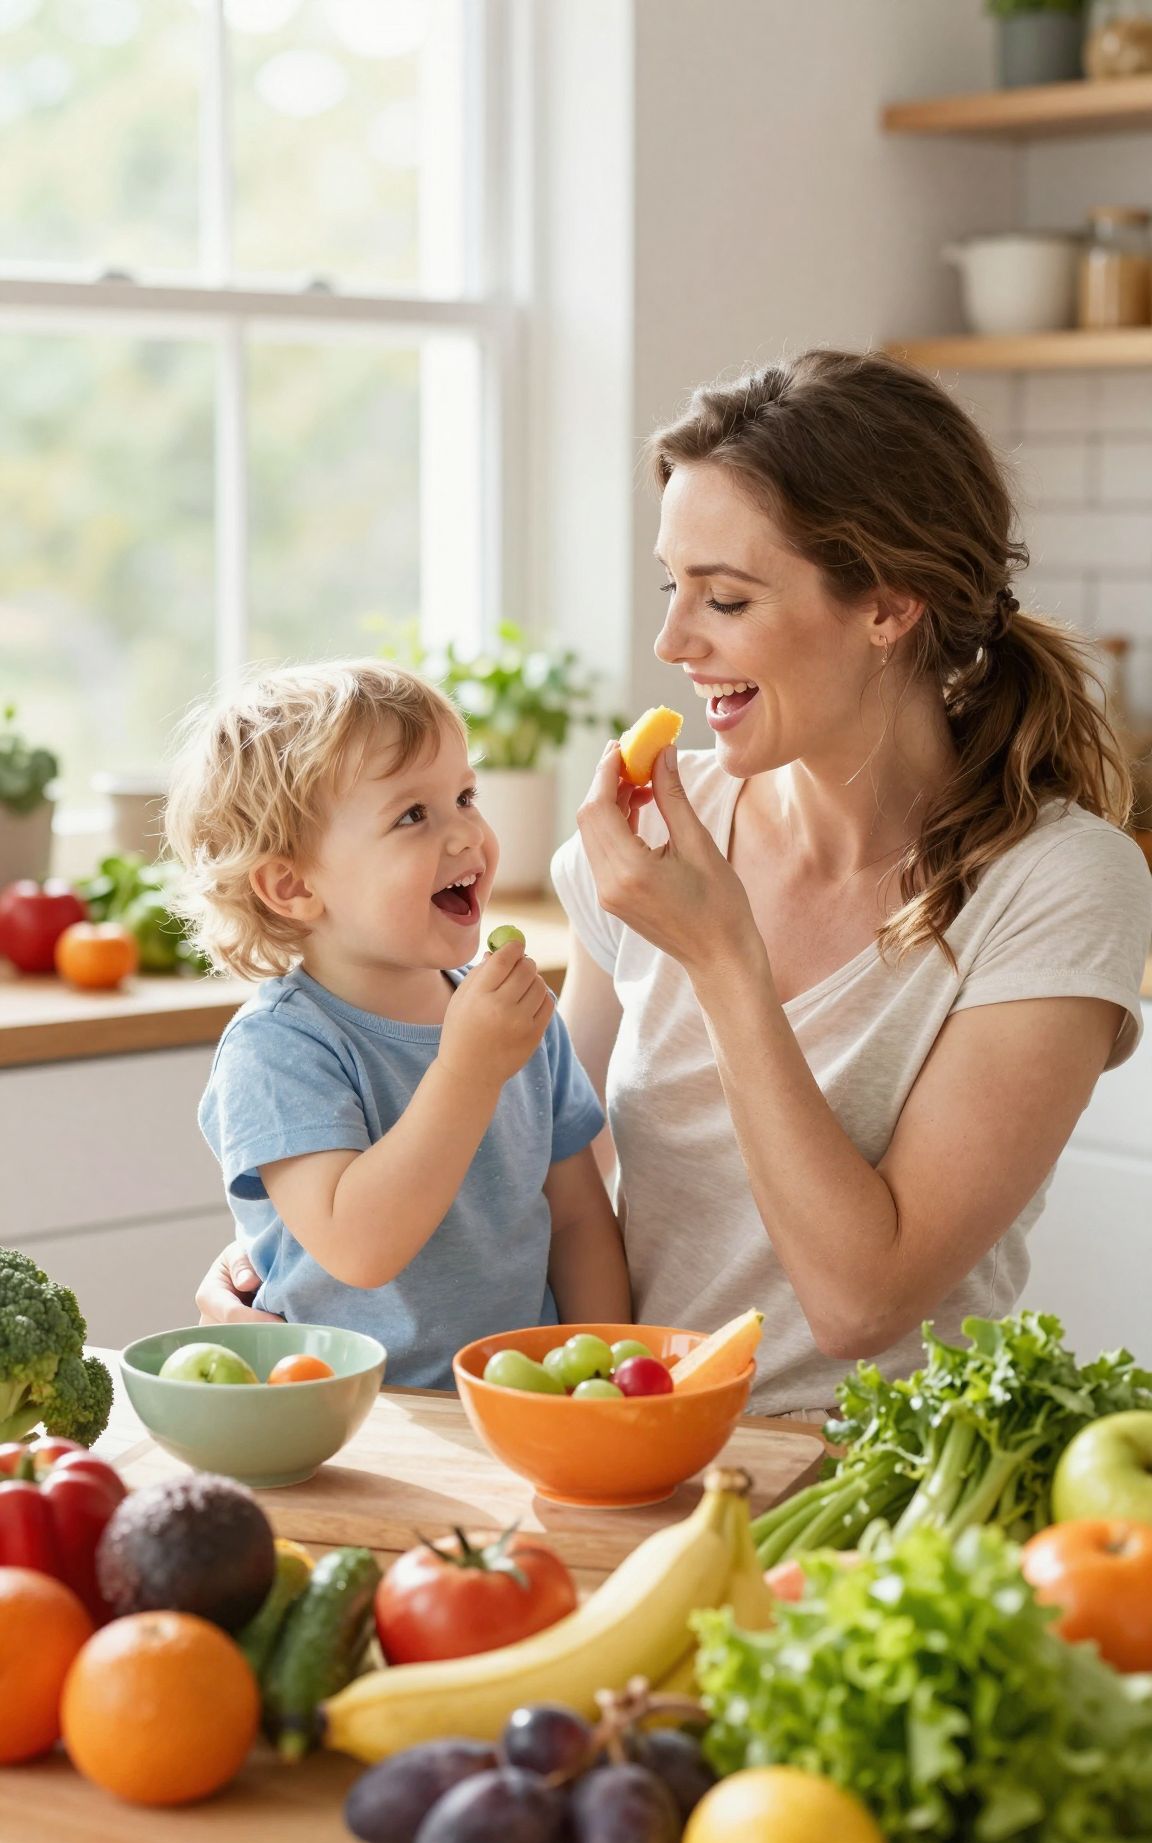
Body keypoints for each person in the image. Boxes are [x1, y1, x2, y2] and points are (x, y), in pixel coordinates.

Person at [199, 354, 1152, 1417]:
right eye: (672, 586)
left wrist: (722, 956)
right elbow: (535, 1156)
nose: (672, 641)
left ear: (888, 606)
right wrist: (292, 1260)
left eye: (726, 598)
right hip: (626, 1441)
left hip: (867, 1470)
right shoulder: (652, 825)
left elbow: (860, 1302)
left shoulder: (1057, 884)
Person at [166, 661, 629, 1389]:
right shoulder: (278, 1049)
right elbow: (359, 1247)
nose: (466, 835)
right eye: (413, 815)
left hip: (523, 1406)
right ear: (293, 885)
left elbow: (576, 1221)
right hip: (349, 1418)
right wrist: (468, 1070)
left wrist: (608, 1382)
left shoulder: (515, 1019)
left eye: (465, 797)